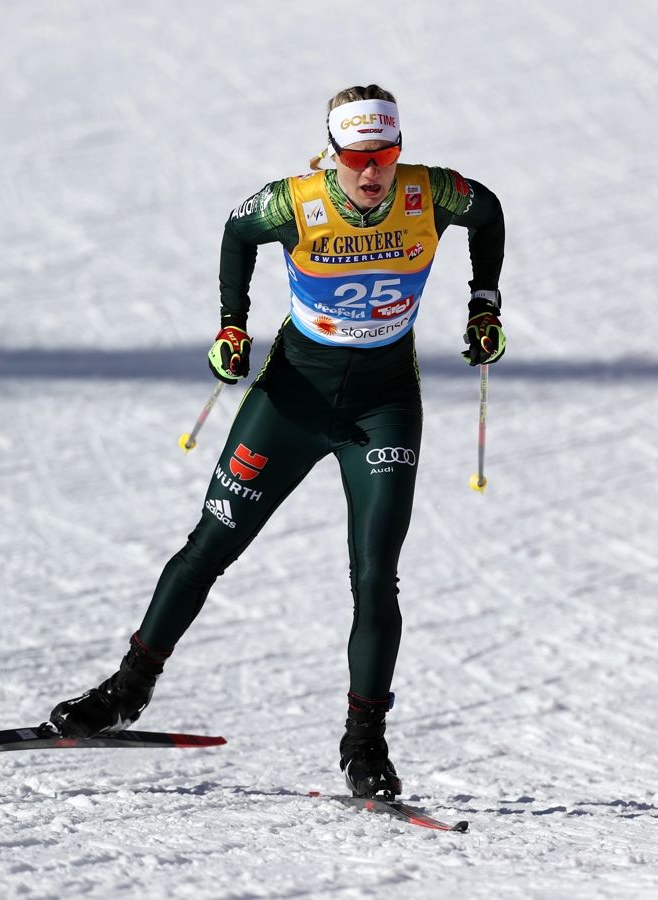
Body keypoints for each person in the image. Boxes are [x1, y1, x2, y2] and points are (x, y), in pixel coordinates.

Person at [48, 85, 507, 799]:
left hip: (382, 408)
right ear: (334, 153)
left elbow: (489, 211)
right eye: (357, 157)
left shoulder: (430, 195)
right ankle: (126, 689)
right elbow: (236, 232)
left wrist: (485, 300)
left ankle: (365, 745)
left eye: (383, 156)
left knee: (374, 575)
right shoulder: (293, 202)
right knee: (211, 544)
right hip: (294, 397)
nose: (370, 173)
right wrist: (233, 325)